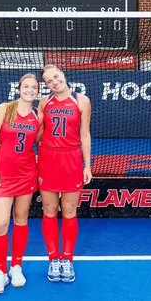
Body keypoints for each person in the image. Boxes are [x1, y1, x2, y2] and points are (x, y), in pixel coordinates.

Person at [37, 64, 92, 283]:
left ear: (63, 75)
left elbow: (85, 134)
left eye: (56, 76)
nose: (54, 82)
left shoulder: (82, 100)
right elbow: (38, 133)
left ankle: (67, 259)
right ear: (47, 85)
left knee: (69, 211)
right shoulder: (44, 102)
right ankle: (53, 259)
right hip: (48, 159)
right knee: (49, 210)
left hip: (71, 159)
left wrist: (87, 165)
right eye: (49, 81)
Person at [0, 73, 40, 294]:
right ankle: (0, 272)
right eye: (26, 86)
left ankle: (16, 266)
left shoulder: (38, 116)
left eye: (34, 87)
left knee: (21, 219)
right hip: (4, 177)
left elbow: (39, 143)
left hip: (27, 174)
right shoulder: (5, 108)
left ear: (38, 91)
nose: (29, 90)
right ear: (19, 89)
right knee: (0, 224)